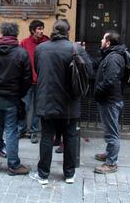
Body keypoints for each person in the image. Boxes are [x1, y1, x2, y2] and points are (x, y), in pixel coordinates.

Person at [29, 20, 92, 185]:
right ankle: (69, 174)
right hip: (69, 102)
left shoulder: (41, 48)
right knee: (70, 138)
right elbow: (89, 71)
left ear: (53, 31)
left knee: (47, 138)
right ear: (68, 31)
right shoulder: (75, 49)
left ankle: (43, 174)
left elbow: (37, 69)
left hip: (46, 100)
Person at [0, 22, 32, 175]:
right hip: (12, 97)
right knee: (11, 130)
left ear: (2, 34)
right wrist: (19, 93)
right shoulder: (21, 53)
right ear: (15, 35)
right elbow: (27, 78)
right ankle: (13, 165)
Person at [93, 30, 126, 174]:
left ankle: (111, 163)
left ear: (108, 43)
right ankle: (109, 154)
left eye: (103, 39)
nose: (101, 41)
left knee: (111, 133)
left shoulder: (113, 58)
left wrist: (98, 90)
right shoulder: (111, 55)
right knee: (110, 130)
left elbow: (110, 80)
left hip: (110, 100)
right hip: (110, 99)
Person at [18, 20, 49, 144]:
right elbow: (19, 60)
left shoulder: (47, 42)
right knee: (24, 106)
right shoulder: (25, 43)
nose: (41, 31)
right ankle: (21, 129)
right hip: (27, 81)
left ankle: (34, 131)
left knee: (37, 108)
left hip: (41, 82)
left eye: (42, 28)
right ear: (32, 30)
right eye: (39, 29)